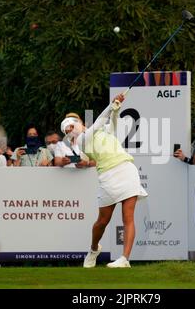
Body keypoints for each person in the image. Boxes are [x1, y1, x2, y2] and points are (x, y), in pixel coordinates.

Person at [60, 94, 147, 268]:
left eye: (70, 126)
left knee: (128, 217)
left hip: (126, 168)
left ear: (78, 123)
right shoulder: (83, 141)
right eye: (66, 131)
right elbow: (100, 120)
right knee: (102, 222)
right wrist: (111, 106)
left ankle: (124, 259)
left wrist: (117, 108)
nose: (70, 131)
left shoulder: (101, 131)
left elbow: (113, 124)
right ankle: (94, 249)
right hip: (108, 177)